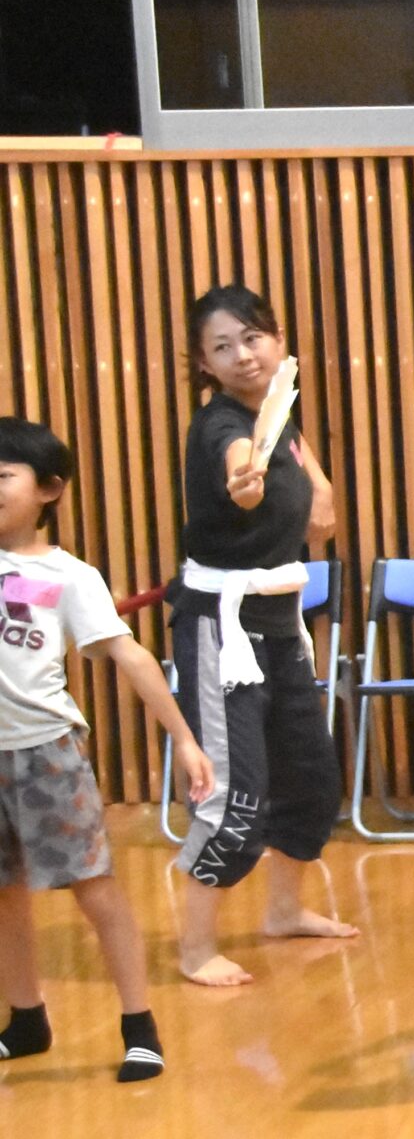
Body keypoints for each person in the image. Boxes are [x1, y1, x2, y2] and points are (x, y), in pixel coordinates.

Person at [0, 418, 215, 1082]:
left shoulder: (68, 577)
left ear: (50, 490)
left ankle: (138, 1024)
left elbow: (130, 654)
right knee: (4, 893)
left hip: (45, 754)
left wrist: (184, 739)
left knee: (93, 888)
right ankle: (26, 1018)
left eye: (3, 475)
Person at [170, 286, 357, 986]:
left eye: (253, 337)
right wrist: (245, 483)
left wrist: (303, 471)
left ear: (277, 340)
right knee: (235, 794)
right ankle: (194, 946)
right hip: (222, 628)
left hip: (280, 623)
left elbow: (323, 518)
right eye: (222, 346)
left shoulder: (282, 416)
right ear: (204, 363)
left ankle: (283, 911)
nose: (243, 355)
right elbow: (239, 475)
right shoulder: (221, 426)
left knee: (311, 779)